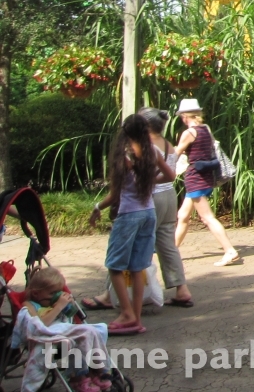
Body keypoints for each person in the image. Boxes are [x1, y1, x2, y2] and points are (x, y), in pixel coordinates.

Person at [83, 108, 195, 311]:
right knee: (167, 245)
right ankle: (182, 289)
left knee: (130, 249)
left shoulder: (141, 147)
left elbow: (122, 186)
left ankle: (109, 295)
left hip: (149, 199)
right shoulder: (167, 144)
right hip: (169, 196)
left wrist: (147, 182)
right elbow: (170, 174)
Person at [88, 114, 174, 335]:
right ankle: (136, 317)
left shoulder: (124, 156)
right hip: (148, 213)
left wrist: (97, 207)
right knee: (138, 267)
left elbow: (115, 194)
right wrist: (151, 181)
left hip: (129, 215)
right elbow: (170, 175)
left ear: (125, 132)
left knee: (115, 266)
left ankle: (126, 313)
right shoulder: (152, 152)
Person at [15, 268, 112, 392]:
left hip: (65, 335)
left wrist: (68, 306)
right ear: (36, 294)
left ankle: (94, 371)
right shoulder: (29, 306)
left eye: (59, 292)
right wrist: (58, 307)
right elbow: (40, 326)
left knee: (95, 331)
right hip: (47, 338)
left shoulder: (54, 303)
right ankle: (80, 378)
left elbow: (68, 320)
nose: (56, 297)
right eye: (52, 293)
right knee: (83, 334)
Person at [173, 99, 241, 267]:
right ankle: (172, 251)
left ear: (184, 116)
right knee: (183, 215)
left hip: (195, 179)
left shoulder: (189, 133)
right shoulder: (206, 129)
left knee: (207, 218)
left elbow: (176, 153)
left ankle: (230, 250)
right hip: (206, 177)